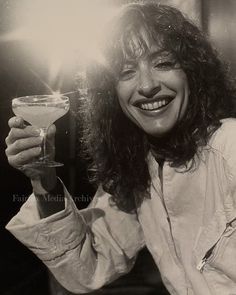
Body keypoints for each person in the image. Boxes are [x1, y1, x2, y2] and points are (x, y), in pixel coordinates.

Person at [5, 2, 236, 294]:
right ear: (111, 93)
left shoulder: (230, 146)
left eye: (163, 63)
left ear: (193, 72)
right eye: (127, 72)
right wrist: (43, 179)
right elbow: (86, 268)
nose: (147, 85)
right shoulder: (140, 169)